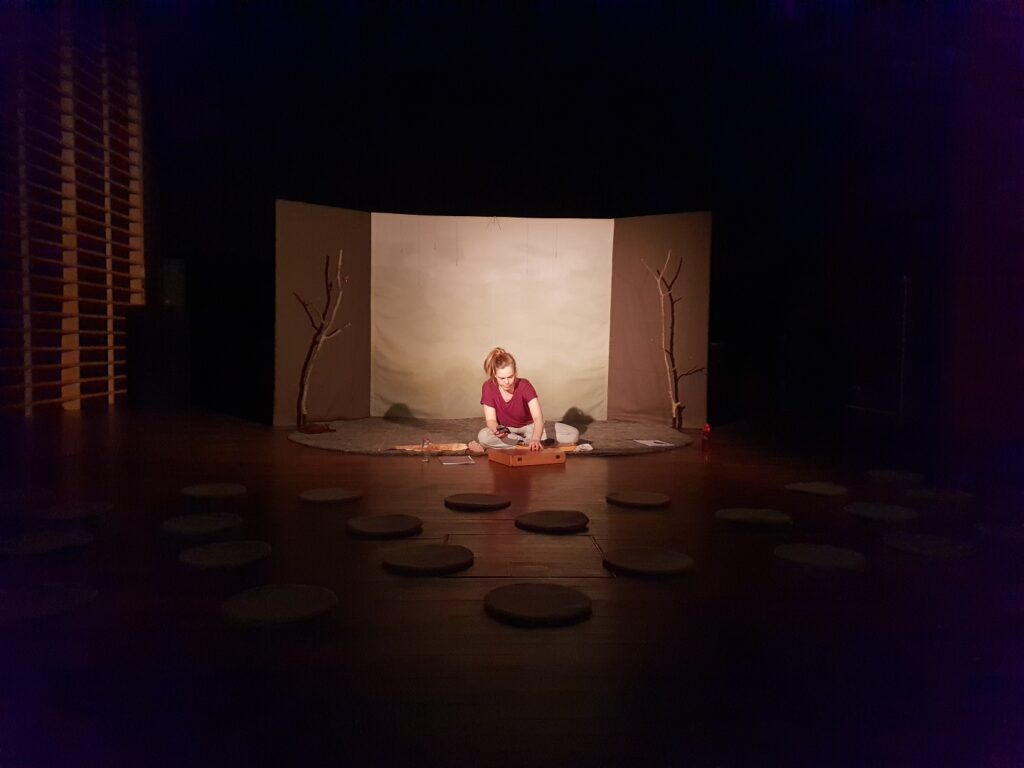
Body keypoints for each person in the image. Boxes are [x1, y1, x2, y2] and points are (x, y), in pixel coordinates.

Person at [474, 347, 579, 452]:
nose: (507, 382)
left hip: (530, 428)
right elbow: (491, 420)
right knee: (484, 436)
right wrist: (497, 431)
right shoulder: (488, 387)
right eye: (502, 378)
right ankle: (525, 443)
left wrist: (535, 439)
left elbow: (538, 418)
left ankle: (523, 443)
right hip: (506, 430)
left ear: (515, 372)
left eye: (510, 377)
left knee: (572, 434)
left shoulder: (525, 385)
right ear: (494, 374)